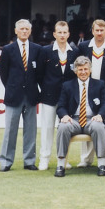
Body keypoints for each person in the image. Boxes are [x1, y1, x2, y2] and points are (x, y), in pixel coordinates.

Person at [53, 56, 105, 177]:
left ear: (90, 70)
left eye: (85, 69)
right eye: (80, 70)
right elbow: (61, 106)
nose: (83, 72)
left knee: (99, 127)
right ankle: (60, 165)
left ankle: (102, 164)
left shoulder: (99, 84)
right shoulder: (67, 85)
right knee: (62, 127)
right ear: (75, 71)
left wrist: (100, 115)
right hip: (74, 119)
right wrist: (64, 116)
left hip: (92, 119)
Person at [0, 19, 42, 171]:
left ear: (30, 31)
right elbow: (3, 73)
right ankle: (5, 162)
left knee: (30, 130)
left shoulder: (37, 49)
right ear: (16, 31)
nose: (24, 31)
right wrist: (12, 87)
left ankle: (29, 161)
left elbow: (39, 73)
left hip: (31, 95)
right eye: (21, 29)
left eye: (27, 29)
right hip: (13, 95)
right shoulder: (8, 49)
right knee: (10, 130)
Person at [77, 19, 105, 167]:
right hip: (87, 93)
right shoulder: (84, 46)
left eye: (102, 30)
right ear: (92, 31)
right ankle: (86, 159)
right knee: (87, 124)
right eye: (97, 30)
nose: (99, 33)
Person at [38, 21, 78, 171]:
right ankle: (44, 159)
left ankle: (63, 159)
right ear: (54, 34)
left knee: (65, 129)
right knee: (47, 128)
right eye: (59, 32)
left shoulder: (74, 51)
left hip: (67, 98)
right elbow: (39, 74)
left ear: (68, 34)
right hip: (49, 96)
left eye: (64, 32)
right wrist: (47, 88)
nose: (62, 35)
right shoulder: (45, 51)